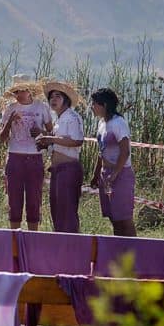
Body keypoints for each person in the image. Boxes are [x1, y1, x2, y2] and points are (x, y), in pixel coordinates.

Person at [0, 75, 52, 231]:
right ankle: (14, 237)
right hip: (15, 156)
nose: (19, 94)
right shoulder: (10, 108)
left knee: (34, 200)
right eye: (16, 91)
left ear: (30, 91)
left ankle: (32, 237)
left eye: (22, 90)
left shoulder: (41, 107)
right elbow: (2, 138)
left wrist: (40, 132)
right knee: (14, 200)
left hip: (35, 157)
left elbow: (51, 131)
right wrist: (9, 122)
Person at [36, 80, 85, 233]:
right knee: (57, 212)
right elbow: (60, 143)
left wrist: (50, 139)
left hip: (68, 169)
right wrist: (47, 143)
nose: (53, 100)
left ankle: (71, 247)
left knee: (67, 213)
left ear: (66, 99)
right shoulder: (59, 119)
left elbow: (77, 140)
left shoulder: (72, 117)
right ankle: (61, 247)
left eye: (58, 96)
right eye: (51, 97)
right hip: (57, 170)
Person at [90, 87, 137, 237]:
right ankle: (119, 249)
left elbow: (125, 151)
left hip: (121, 174)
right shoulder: (102, 124)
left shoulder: (119, 123)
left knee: (124, 218)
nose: (92, 107)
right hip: (106, 174)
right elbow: (101, 150)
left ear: (103, 105)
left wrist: (116, 173)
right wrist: (97, 174)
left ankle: (134, 251)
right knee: (113, 217)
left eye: (94, 103)